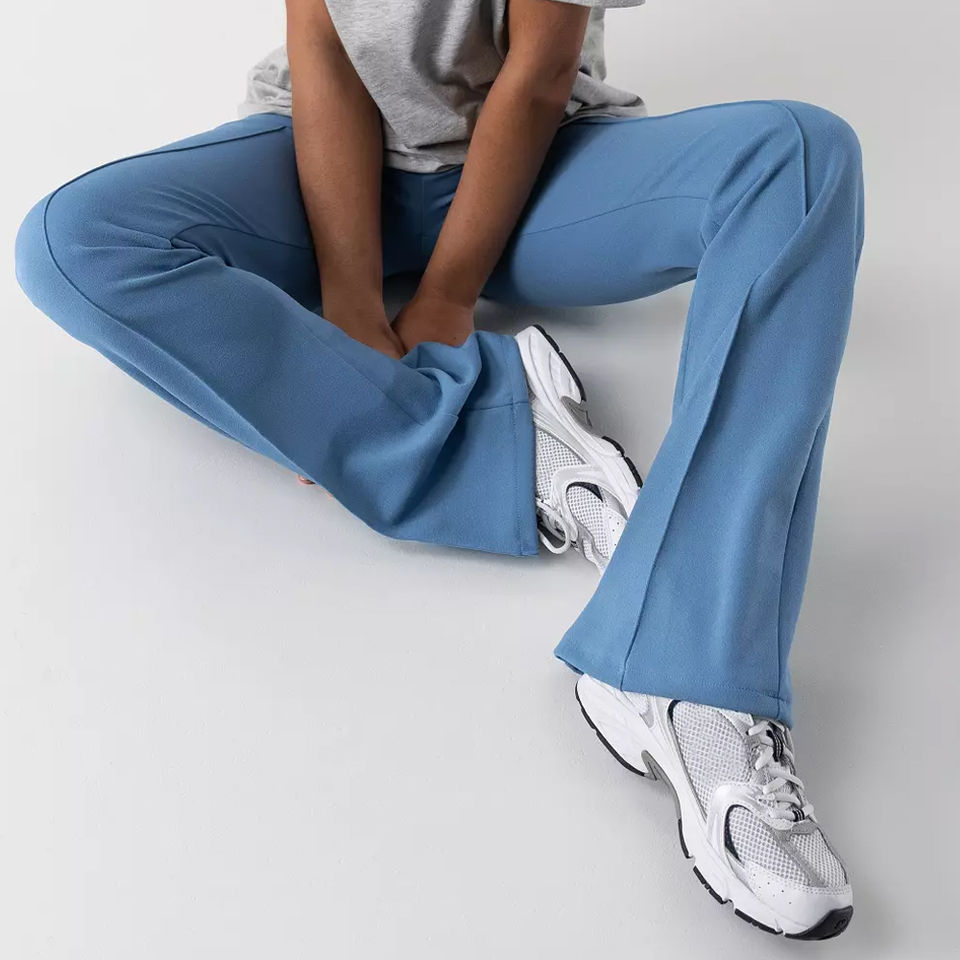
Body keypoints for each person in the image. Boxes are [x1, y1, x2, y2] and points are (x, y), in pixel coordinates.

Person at [14, 0, 863, 940]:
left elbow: (537, 73)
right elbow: (324, 43)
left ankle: (684, 670)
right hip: (317, 172)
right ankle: (503, 438)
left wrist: (449, 294)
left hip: (539, 179)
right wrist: (350, 302)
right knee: (74, 238)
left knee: (797, 155)